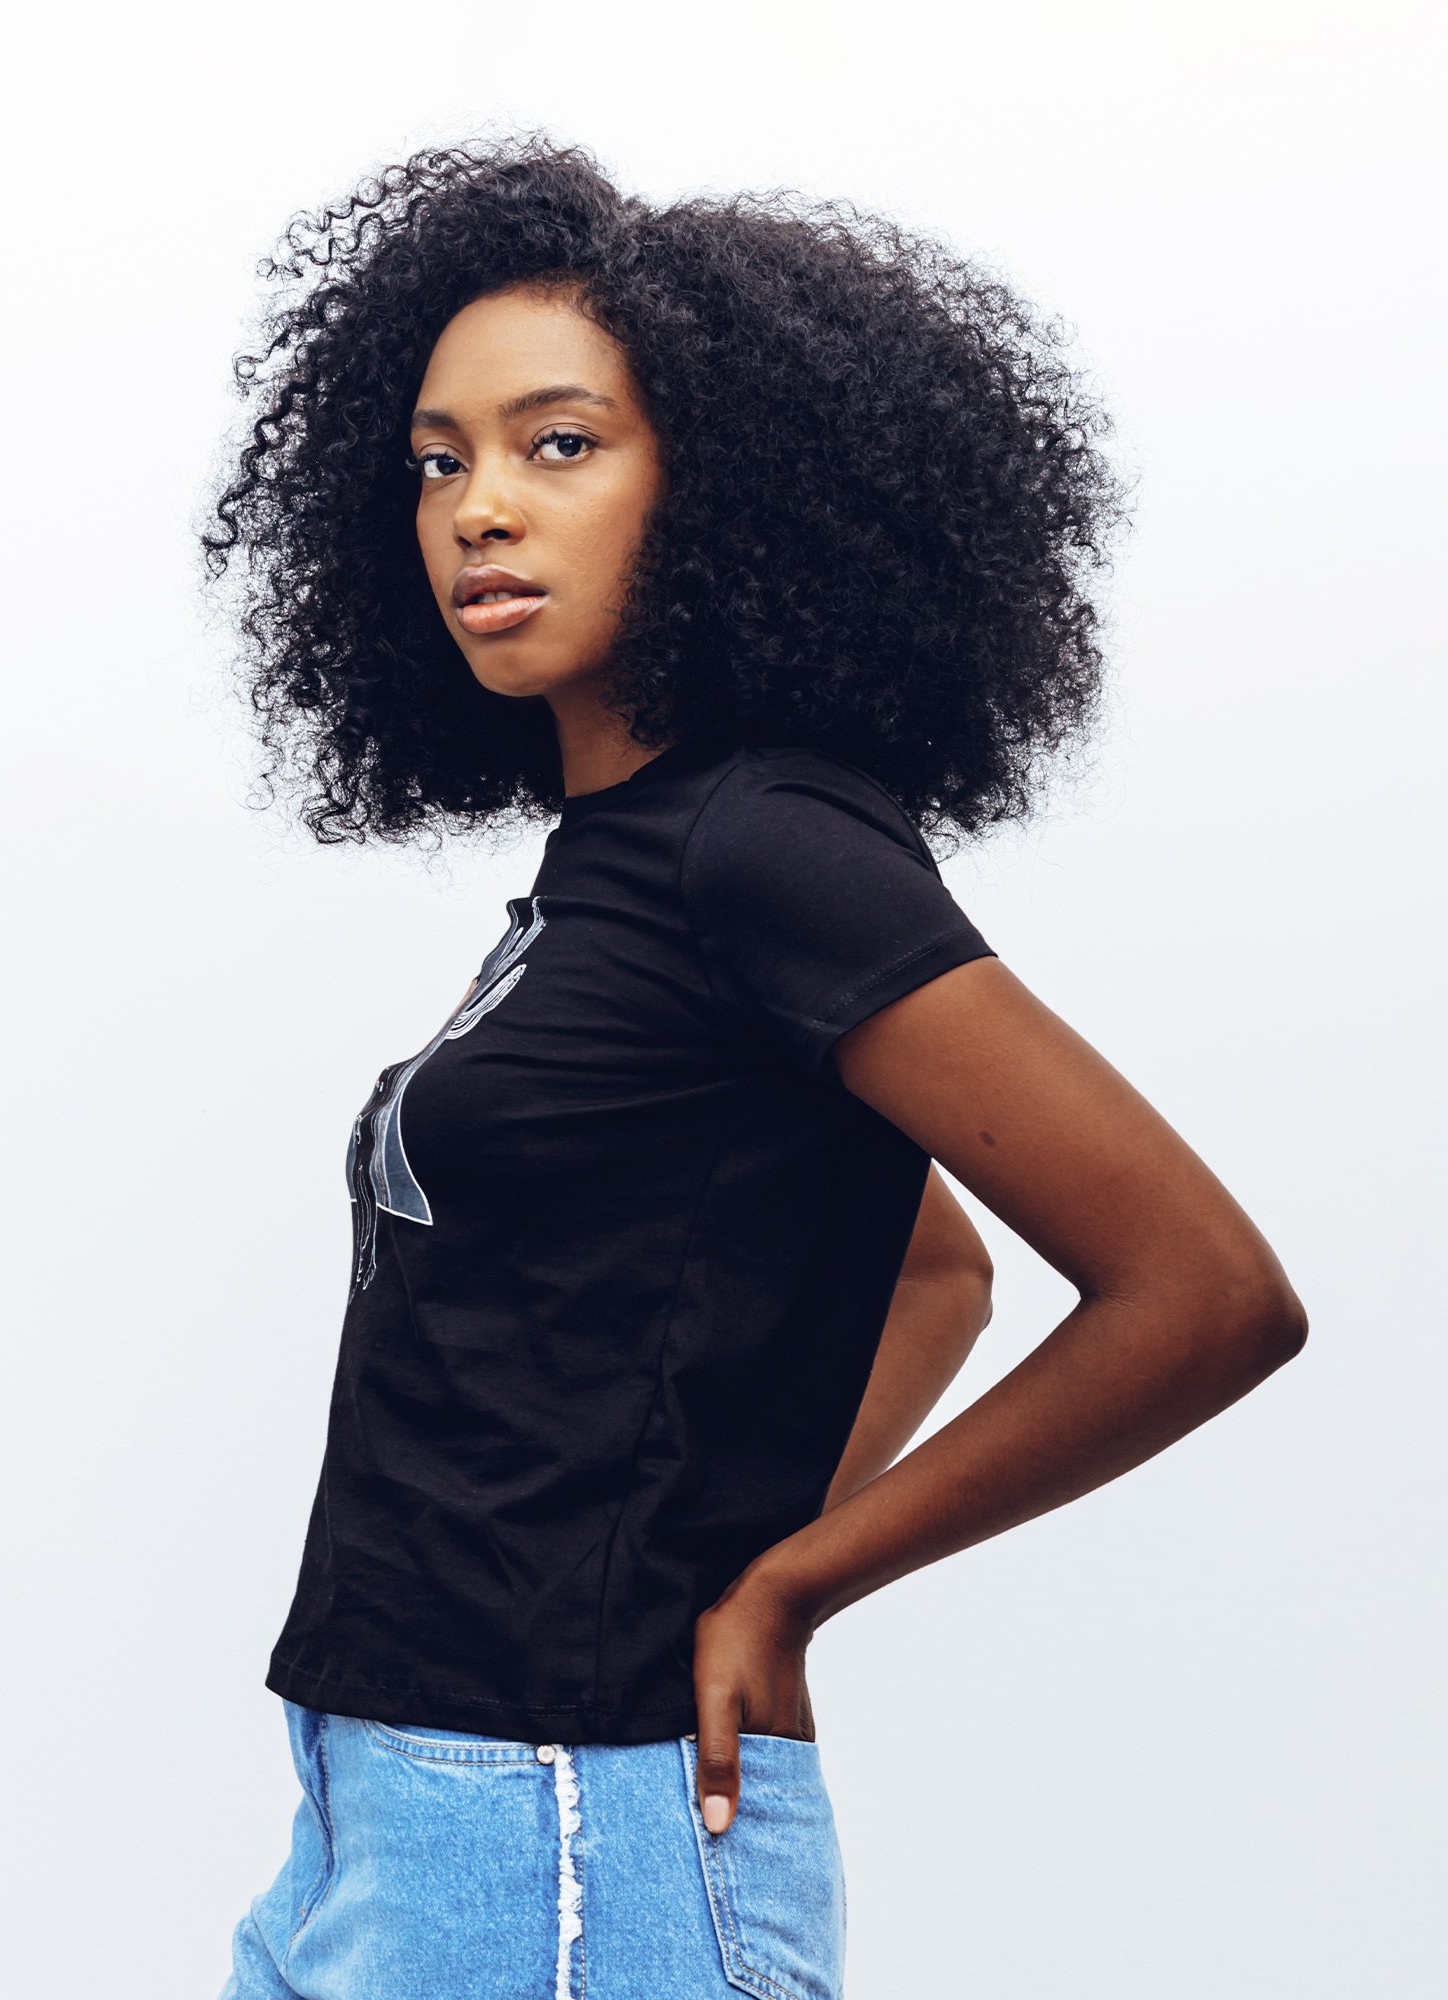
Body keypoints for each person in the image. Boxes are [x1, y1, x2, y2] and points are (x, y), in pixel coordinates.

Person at [203, 138, 1305, 2000]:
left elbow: (1205, 1293)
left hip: (570, 1830)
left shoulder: (765, 846)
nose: (481, 509)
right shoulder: (615, 865)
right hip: (391, 1793)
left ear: (716, 484)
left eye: (561, 444)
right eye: (438, 461)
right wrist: (707, 1535)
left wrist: (788, 1580)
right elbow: (928, 1261)